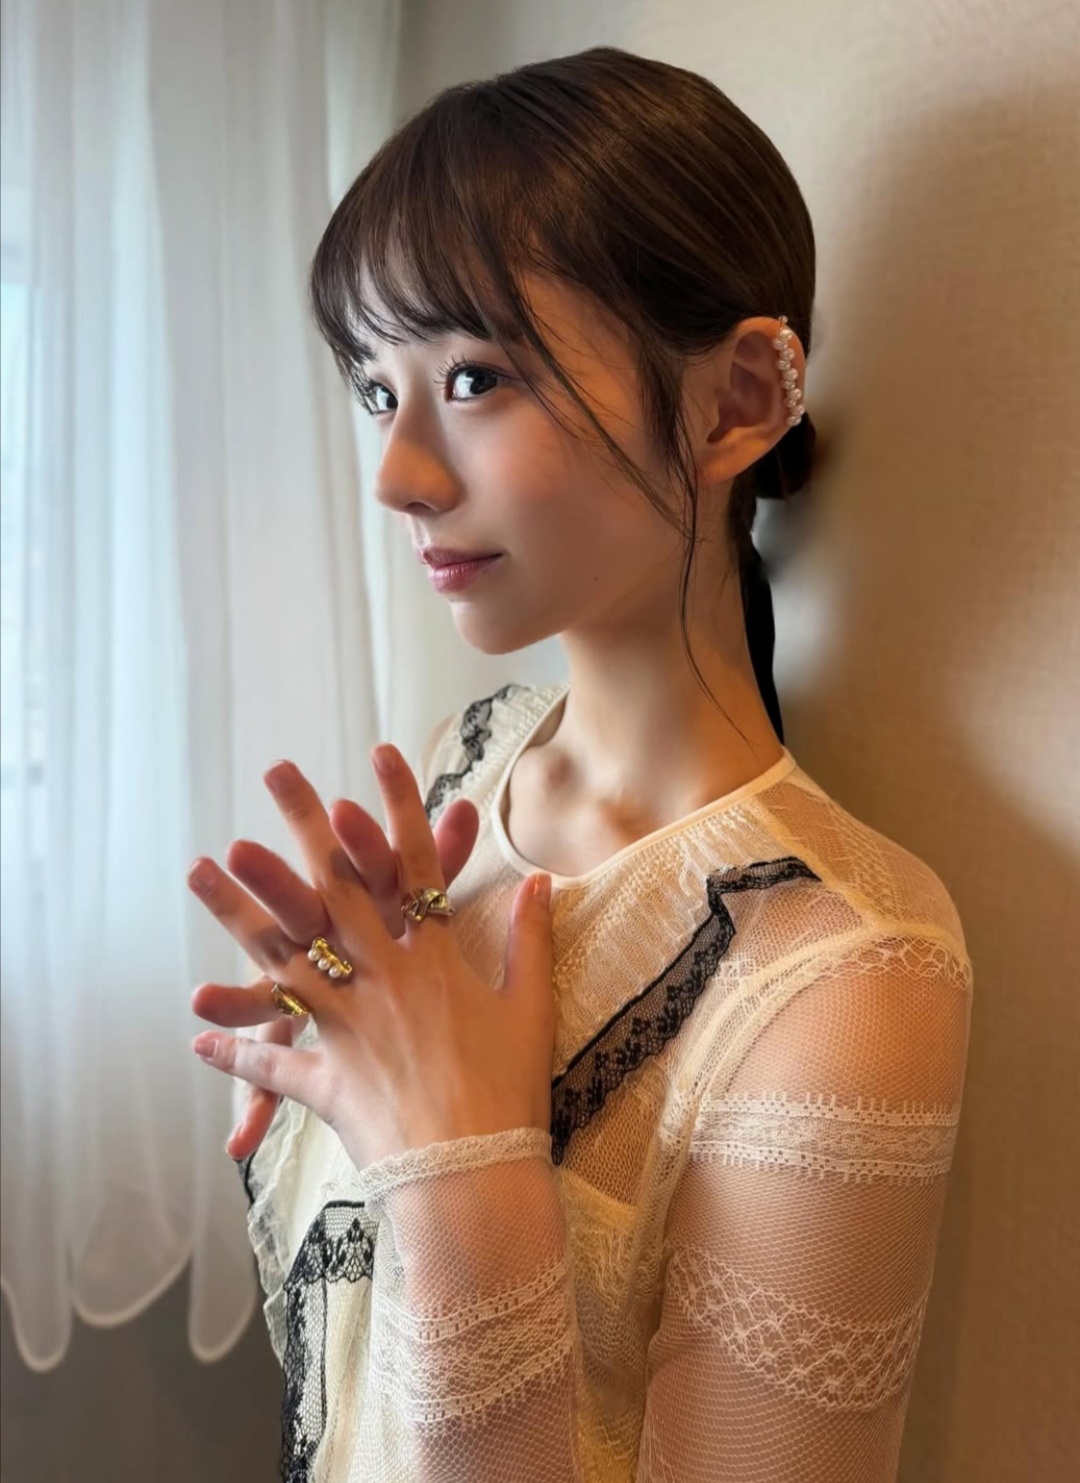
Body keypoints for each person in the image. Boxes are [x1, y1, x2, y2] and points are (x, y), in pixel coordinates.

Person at [187, 46, 973, 1483]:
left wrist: (457, 1162)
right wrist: (341, 1041)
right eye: (374, 389)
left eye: (472, 377)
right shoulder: (467, 763)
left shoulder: (846, 972)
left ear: (736, 402)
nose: (397, 475)